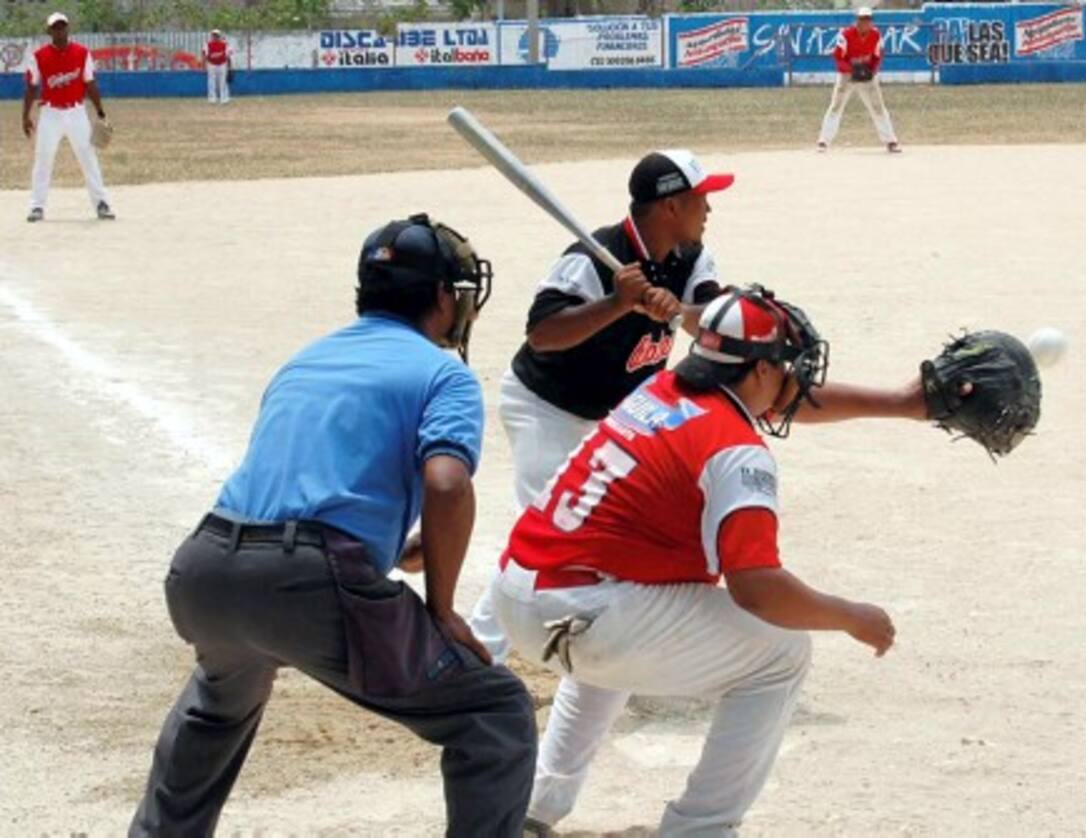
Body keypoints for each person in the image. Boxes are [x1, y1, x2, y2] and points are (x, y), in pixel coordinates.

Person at [129, 214, 536, 837]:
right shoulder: (442, 374)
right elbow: (447, 484)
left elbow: (297, 488)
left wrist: (392, 546)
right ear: (441, 298)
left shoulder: (305, 361)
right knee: (495, 712)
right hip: (307, 582)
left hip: (204, 568)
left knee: (218, 703)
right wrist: (442, 609)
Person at [492, 285, 926, 836]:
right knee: (782, 653)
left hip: (520, 597)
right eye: (787, 367)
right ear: (761, 370)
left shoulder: (659, 390)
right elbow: (758, 589)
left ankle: (535, 805)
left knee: (627, 634)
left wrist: (901, 404)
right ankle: (701, 829)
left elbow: (777, 402)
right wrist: (851, 616)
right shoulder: (736, 451)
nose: (796, 382)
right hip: (585, 613)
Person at [469, 149, 733, 659]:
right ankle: (477, 657)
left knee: (615, 530)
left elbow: (714, 322)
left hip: (613, 417)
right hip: (546, 407)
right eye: (701, 198)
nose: (709, 208)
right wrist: (617, 303)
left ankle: (608, 646)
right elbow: (543, 334)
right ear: (671, 206)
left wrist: (678, 309)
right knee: (549, 533)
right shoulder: (591, 257)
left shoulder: (690, 256)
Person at [22, 11, 115, 222]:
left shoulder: (82, 53)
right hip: (50, 114)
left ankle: (101, 203)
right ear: (49, 31)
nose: (59, 30)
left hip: (76, 113)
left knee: (88, 157)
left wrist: (100, 111)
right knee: (43, 159)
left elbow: (90, 83)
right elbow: (32, 88)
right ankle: (37, 206)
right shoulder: (39, 56)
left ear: (68, 28)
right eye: (55, 27)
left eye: (62, 26)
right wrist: (25, 116)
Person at [817, 7, 901, 153]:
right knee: (836, 107)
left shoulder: (875, 35)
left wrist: (872, 71)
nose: (865, 22)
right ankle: (824, 141)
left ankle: (890, 141)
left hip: (867, 75)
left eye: (868, 19)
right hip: (847, 76)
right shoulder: (846, 34)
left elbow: (878, 56)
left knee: (878, 107)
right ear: (857, 20)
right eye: (862, 19)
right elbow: (838, 56)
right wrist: (851, 70)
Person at [203, 29, 231, 105]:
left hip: (222, 64)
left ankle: (224, 98)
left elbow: (228, 56)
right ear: (212, 36)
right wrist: (204, 65)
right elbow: (205, 55)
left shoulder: (224, 44)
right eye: (214, 35)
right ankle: (212, 98)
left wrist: (229, 67)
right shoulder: (208, 44)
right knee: (211, 82)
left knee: (223, 81)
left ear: (219, 36)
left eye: (217, 35)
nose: (215, 36)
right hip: (211, 64)